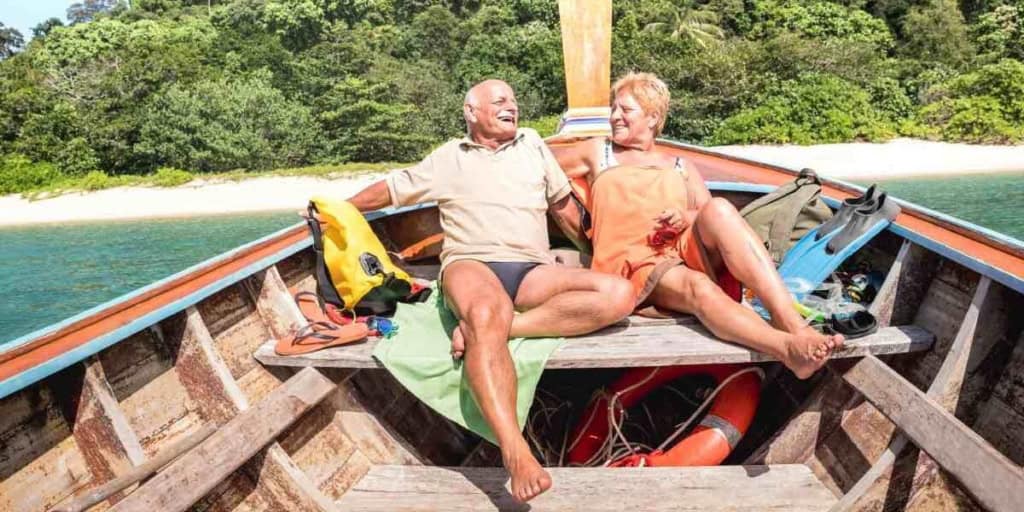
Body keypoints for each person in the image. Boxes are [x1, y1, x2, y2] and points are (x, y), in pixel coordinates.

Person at [344, 79, 635, 502]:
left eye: (514, 101)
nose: (511, 107)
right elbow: (390, 189)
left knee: (618, 294)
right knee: (484, 311)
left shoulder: (533, 144)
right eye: (499, 101)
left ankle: (507, 328)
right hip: (471, 263)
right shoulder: (449, 157)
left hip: (532, 268)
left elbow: (564, 209)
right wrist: (337, 207)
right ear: (471, 110)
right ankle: (514, 449)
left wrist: (597, 255)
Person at [552, 72, 844, 380]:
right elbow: (538, 165)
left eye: (625, 110)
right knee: (697, 286)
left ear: (653, 117)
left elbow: (705, 216)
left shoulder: (680, 165)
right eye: (614, 109)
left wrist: (685, 216)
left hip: (681, 248)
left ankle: (794, 325)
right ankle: (787, 349)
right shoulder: (599, 152)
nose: (615, 117)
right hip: (632, 261)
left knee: (718, 208)